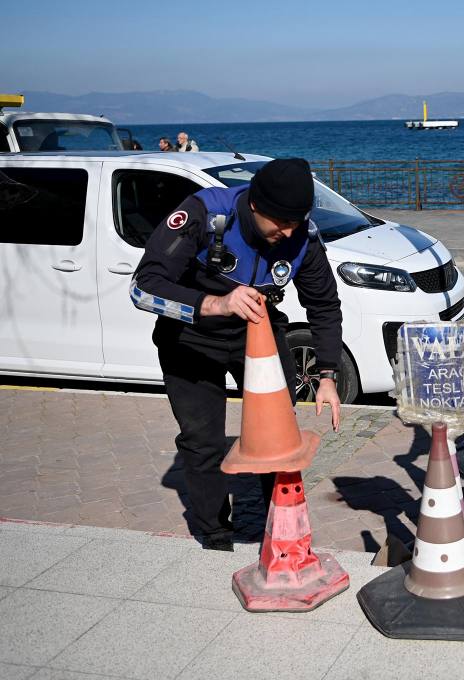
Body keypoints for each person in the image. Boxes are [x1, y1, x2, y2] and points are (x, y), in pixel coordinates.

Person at [130, 158, 343, 551]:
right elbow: (144, 288)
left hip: (258, 335)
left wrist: (327, 374)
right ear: (255, 206)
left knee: (278, 436)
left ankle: (280, 529)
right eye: (281, 223)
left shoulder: (302, 237)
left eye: (297, 222)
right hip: (190, 338)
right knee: (202, 440)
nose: (288, 232)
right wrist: (216, 303)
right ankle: (214, 533)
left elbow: (325, 305)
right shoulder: (205, 213)